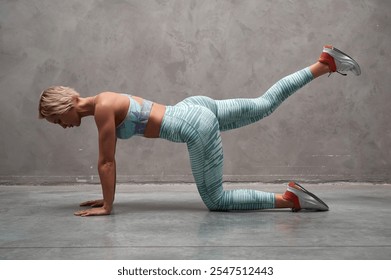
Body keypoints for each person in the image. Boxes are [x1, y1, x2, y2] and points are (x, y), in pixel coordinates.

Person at [38, 45, 361, 217]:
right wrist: (106, 198)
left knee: (217, 201)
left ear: (62, 108)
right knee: (263, 104)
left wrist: (109, 206)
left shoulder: (103, 108)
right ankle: (325, 63)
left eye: (57, 121)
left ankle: (291, 200)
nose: (62, 127)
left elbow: (106, 162)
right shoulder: (105, 101)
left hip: (193, 124)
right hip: (193, 107)